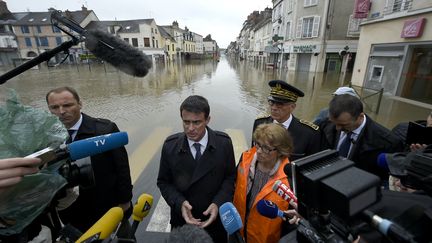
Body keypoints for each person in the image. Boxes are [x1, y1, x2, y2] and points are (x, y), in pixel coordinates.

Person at [45, 86, 133, 234]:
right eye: (54, 107)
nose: (61, 111)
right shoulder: (45, 137)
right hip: (70, 212)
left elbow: (122, 168)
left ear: (80, 104)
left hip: (106, 208)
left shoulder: (104, 130)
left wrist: (125, 202)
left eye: (67, 105)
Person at [157, 95, 236, 243]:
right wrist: (180, 203)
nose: (190, 128)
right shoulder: (170, 146)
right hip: (183, 224)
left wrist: (218, 203)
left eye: (197, 122)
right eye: (186, 122)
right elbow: (163, 182)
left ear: (207, 120)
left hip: (215, 223)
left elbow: (230, 177)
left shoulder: (224, 144)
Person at [233, 123, 294, 243]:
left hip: (264, 239)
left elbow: (289, 220)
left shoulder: (289, 178)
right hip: (238, 229)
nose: (259, 151)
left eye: (266, 148)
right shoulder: (245, 159)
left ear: (281, 151)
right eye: (258, 144)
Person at [320, 94, 403, 181]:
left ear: (360, 117)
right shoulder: (325, 125)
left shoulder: (388, 142)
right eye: (334, 123)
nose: (337, 128)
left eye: (343, 124)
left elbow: (387, 180)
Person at [253, 80, 321, 161]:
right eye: (272, 102)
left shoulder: (308, 133)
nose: (274, 108)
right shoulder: (260, 123)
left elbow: (311, 166)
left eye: (280, 104)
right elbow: (254, 153)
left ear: (292, 107)